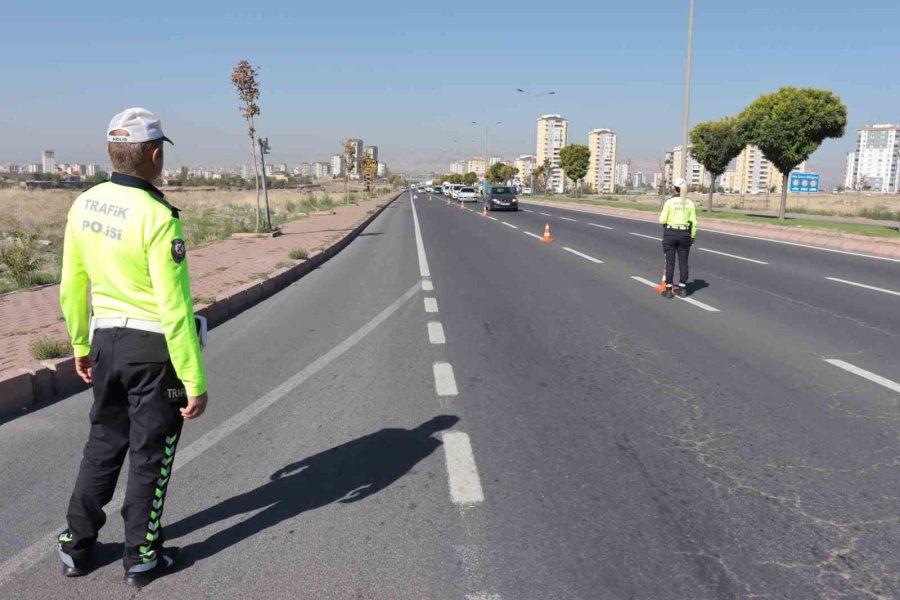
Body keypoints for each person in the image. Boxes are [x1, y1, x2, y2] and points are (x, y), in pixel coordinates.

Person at [57, 107, 208, 588]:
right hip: (152, 352)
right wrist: (194, 380)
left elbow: (69, 285)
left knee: (102, 445)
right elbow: (175, 307)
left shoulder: (84, 205)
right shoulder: (159, 216)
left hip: (104, 342)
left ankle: (76, 547)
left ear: (110, 152)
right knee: (151, 454)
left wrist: (81, 343)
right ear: (155, 155)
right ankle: (142, 556)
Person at [658, 177, 698, 298]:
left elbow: (662, 220)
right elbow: (694, 223)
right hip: (685, 234)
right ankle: (683, 288)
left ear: (674, 188)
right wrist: (693, 236)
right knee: (683, 262)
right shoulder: (690, 203)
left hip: (670, 233)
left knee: (670, 262)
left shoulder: (669, 202)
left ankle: (669, 289)